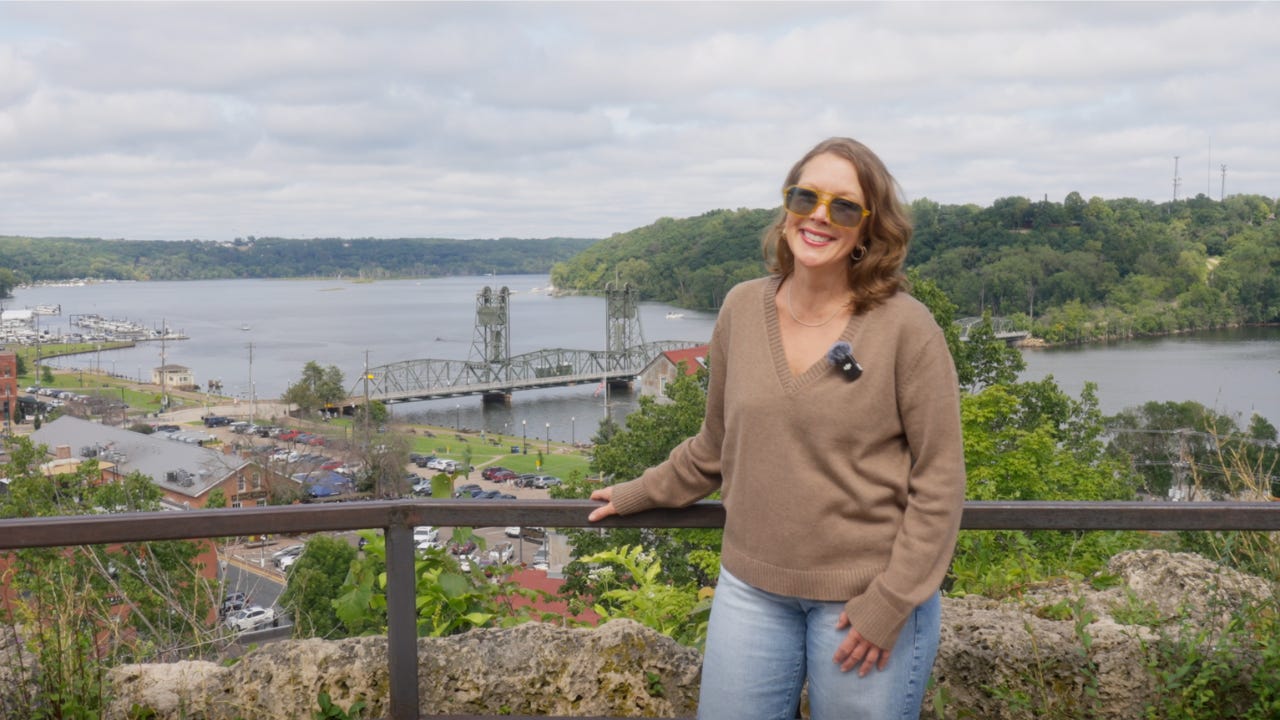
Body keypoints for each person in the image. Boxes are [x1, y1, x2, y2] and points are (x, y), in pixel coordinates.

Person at [588, 137, 966, 720]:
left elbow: (940, 480)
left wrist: (891, 602)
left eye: (844, 207)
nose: (820, 216)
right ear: (787, 205)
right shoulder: (741, 308)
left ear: (869, 228)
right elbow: (715, 446)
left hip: (863, 597)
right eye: (806, 197)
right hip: (751, 591)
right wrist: (638, 492)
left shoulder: (906, 328)